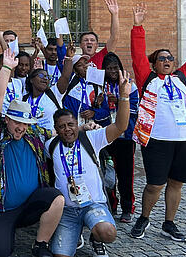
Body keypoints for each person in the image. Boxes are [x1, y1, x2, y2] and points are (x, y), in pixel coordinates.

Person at [128, 3, 186, 243]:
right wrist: (137, 26)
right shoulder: (148, 79)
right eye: (161, 58)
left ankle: (169, 223)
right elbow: (137, 55)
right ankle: (144, 217)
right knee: (155, 184)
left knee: (177, 183)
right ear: (154, 64)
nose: (166, 60)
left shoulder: (183, 78)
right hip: (156, 140)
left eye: (170, 58)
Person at [0, 49, 64, 257]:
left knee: (56, 199)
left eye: (25, 123)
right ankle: (2, 233)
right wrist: (7, 69)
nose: (21, 127)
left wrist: (85, 128)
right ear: (7, 119)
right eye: (17, 122)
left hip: (28, 207)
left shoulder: (32, 133)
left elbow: (55, 131)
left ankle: (40, 244)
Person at [46, 71, 132, 257]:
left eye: (71, 124)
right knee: (60, 255)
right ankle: (75, 233)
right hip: (68, 210)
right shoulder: (50, 145)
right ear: (56, 129)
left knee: (107, 233)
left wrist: (124, 96)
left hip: (93, 204)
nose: (67, 129)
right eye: (62, 127)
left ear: (76, 123)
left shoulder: (91, 139)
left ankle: (96, 238)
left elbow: (120, 127)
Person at [96, 52, 140, 223]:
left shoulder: (130, 86)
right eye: (109, 69)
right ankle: (111, 205)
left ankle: (127, 208)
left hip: (125, 137)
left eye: (115, 68)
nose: (112, 71)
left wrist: (123, 100)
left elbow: (135, 110)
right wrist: (100, 104)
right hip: (106, 135)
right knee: (107, 173)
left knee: (126, 174)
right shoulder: (99, 87)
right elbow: (96, 113)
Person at [76, 0, 119, 68]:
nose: (89, 42)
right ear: (80, 45)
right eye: (86, 40)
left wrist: (114, 14)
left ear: (97, 45)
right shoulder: (76, 61)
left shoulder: (102, 56)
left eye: (92, 40)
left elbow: (114, 37)